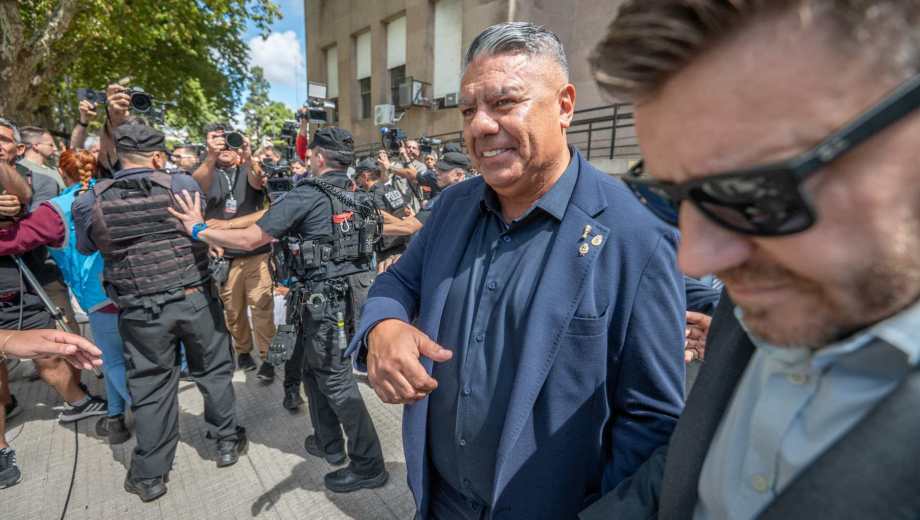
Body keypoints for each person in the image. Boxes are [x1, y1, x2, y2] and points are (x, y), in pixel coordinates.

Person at [582, 1, 920, 518]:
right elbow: (688, 466)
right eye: (669, 197)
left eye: (753, 194)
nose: (694, 259)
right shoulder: (755, 305)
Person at [349, 22, 686, 519]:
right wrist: (383, 325)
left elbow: (651, 419)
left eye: (505, 103)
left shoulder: (639, 236)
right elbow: (398, 281)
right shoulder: (450, 207)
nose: (480, 126)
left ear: (565, 106)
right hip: (439, 502)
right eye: (468, 110)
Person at [167, 127, 389, 494]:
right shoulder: (358, 193)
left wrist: (198, 229)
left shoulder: (309, 194)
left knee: (334, 379)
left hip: (324, 301)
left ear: (317, 157)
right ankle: (328, 443)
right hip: (344, 297)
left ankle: (368, 464)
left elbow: (251, 238)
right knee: (314, 372)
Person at [72, 122, 245, 502]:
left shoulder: (90, 200)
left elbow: (85, 248)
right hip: (194, 297)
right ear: (156, 156)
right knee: (214, 372)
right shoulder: (182, 186)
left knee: (150, 387)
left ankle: (150, 475)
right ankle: (227, 442)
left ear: (117, 154)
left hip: (139, 309)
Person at [0, 149, 133, 444]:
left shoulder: (55, 210)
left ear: (63, 175)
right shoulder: (116, 192)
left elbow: (10, 243)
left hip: (98, 298)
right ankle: (115, 415)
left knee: (112, 361)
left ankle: (153, 419)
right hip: (134, 288)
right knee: (127, 358)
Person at [192, 123, 275, 381]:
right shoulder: (207, 170)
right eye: (218, 139)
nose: (225, 145)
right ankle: (243, 351)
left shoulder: (246, 168)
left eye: (230, 139)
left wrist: (249, 155)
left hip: (256, 254)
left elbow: (258, 179)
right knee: (234, 313)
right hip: (226, 259)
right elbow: (198, 184)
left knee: (262, 308)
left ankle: (268, 356)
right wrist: (211, 155)